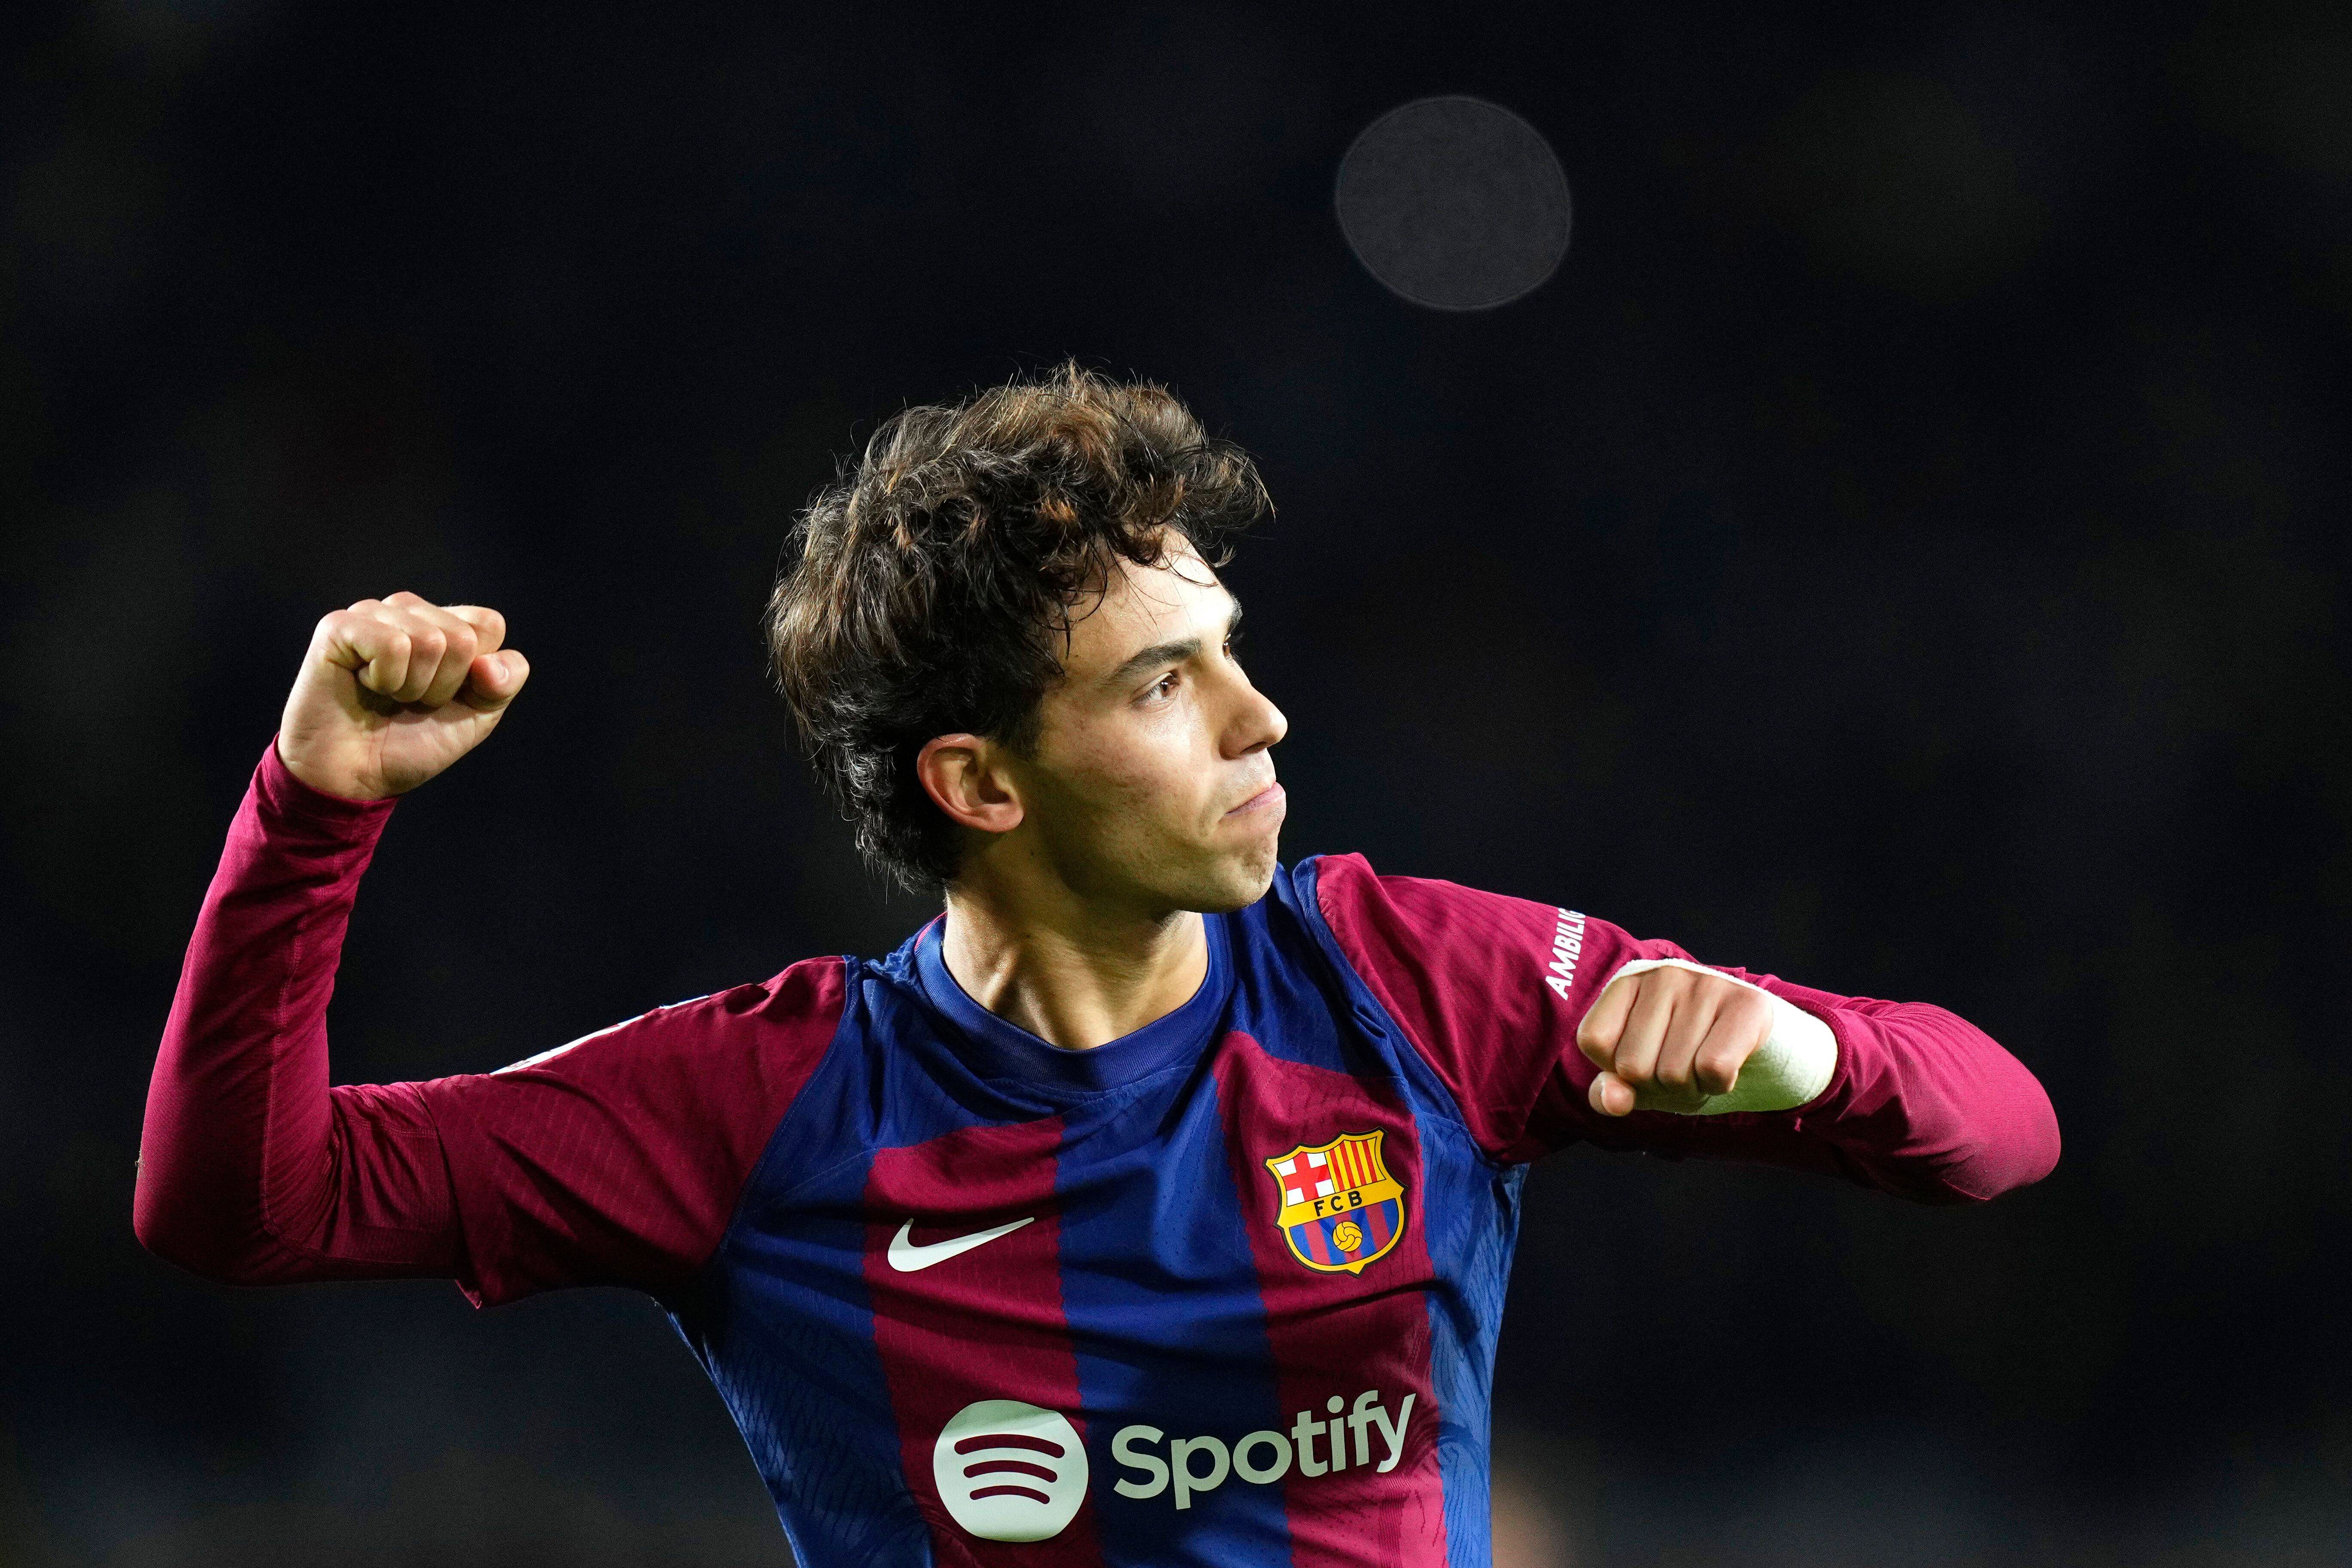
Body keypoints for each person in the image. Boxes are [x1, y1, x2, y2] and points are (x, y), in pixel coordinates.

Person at [137, 362, 2060, 1567]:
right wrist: (309, 813)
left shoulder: (1407, 980)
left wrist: (1813, 1060)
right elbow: (244, 1209)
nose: (1262, 715)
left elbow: (2007, 1135)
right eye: (1165, 679)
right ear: (977, 779)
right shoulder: (761, 1106)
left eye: (1228, 646)